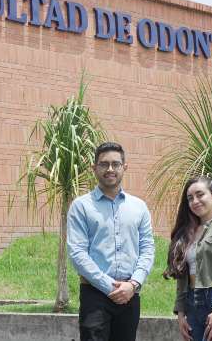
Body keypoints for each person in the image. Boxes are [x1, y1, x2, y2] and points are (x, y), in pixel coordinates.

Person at [67, 142, 155, 341]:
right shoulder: (81, 206)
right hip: (95, 295)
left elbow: (147, 248)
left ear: (125, 167)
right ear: (94, 168)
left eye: (115, 164)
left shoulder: (139, 207)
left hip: (130, 295)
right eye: (104, 164)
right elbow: (78, 254)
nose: (110, 169)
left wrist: (133, 284)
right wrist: (110, 287)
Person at [164, 176, 212, 341]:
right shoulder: (186, 233)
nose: (195, 201)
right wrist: (180, 313)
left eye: (200, 195)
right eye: (190, 198)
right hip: (191, 302)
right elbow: (181, 276)